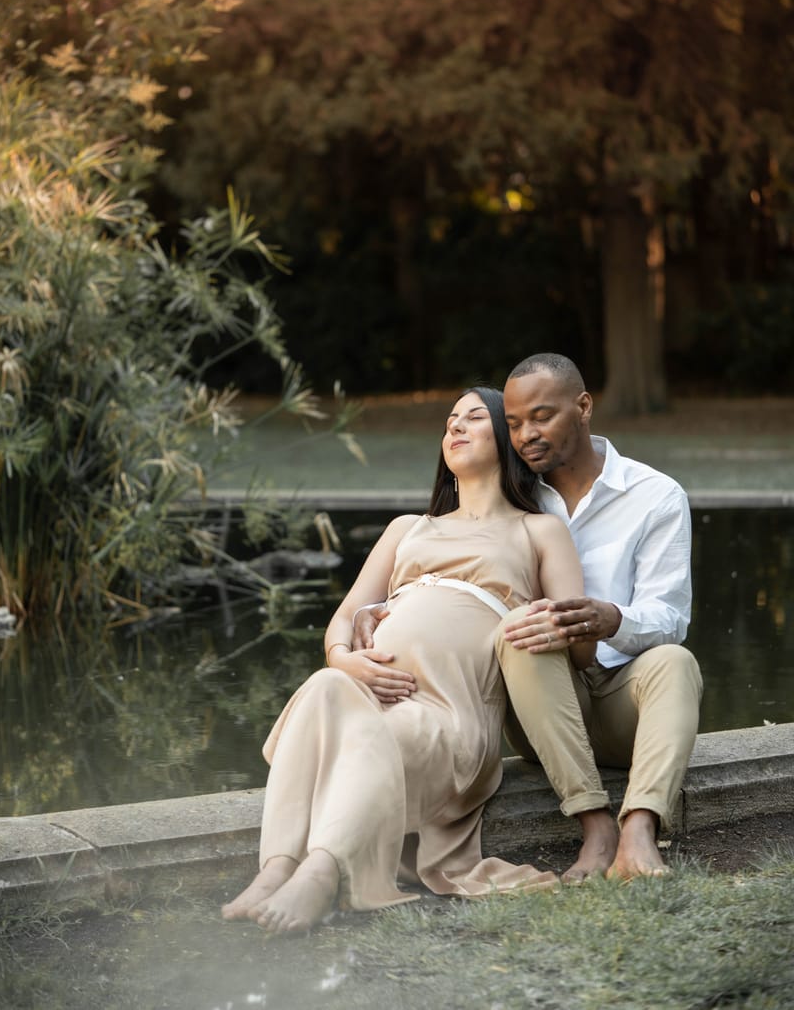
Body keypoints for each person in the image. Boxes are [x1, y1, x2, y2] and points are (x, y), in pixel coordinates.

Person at [222, 387, 591, 934]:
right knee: (324, 687)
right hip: (374, 694)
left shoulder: (538, 530)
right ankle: (276, 867)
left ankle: (322, 871)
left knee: (382, 735)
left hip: (452, 716)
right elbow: (346, 616)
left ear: (508, 438)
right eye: (450, 421)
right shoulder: (407, 528)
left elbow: (576, 645)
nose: (456, 428)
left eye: (473, 418)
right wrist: (345, 659)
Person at [497, 353, 703, 881]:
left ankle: (639, 830)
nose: (526, 435)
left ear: (583, 406)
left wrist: (610, 618)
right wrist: (381, 607)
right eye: (515, 423)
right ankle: (596, 827)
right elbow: (448, 563)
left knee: (675, 661)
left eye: (542, 416)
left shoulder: (655, 496)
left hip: (621, 706)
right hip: (541, 704)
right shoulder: (509, 497)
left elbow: (668, 616)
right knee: (525, 636)